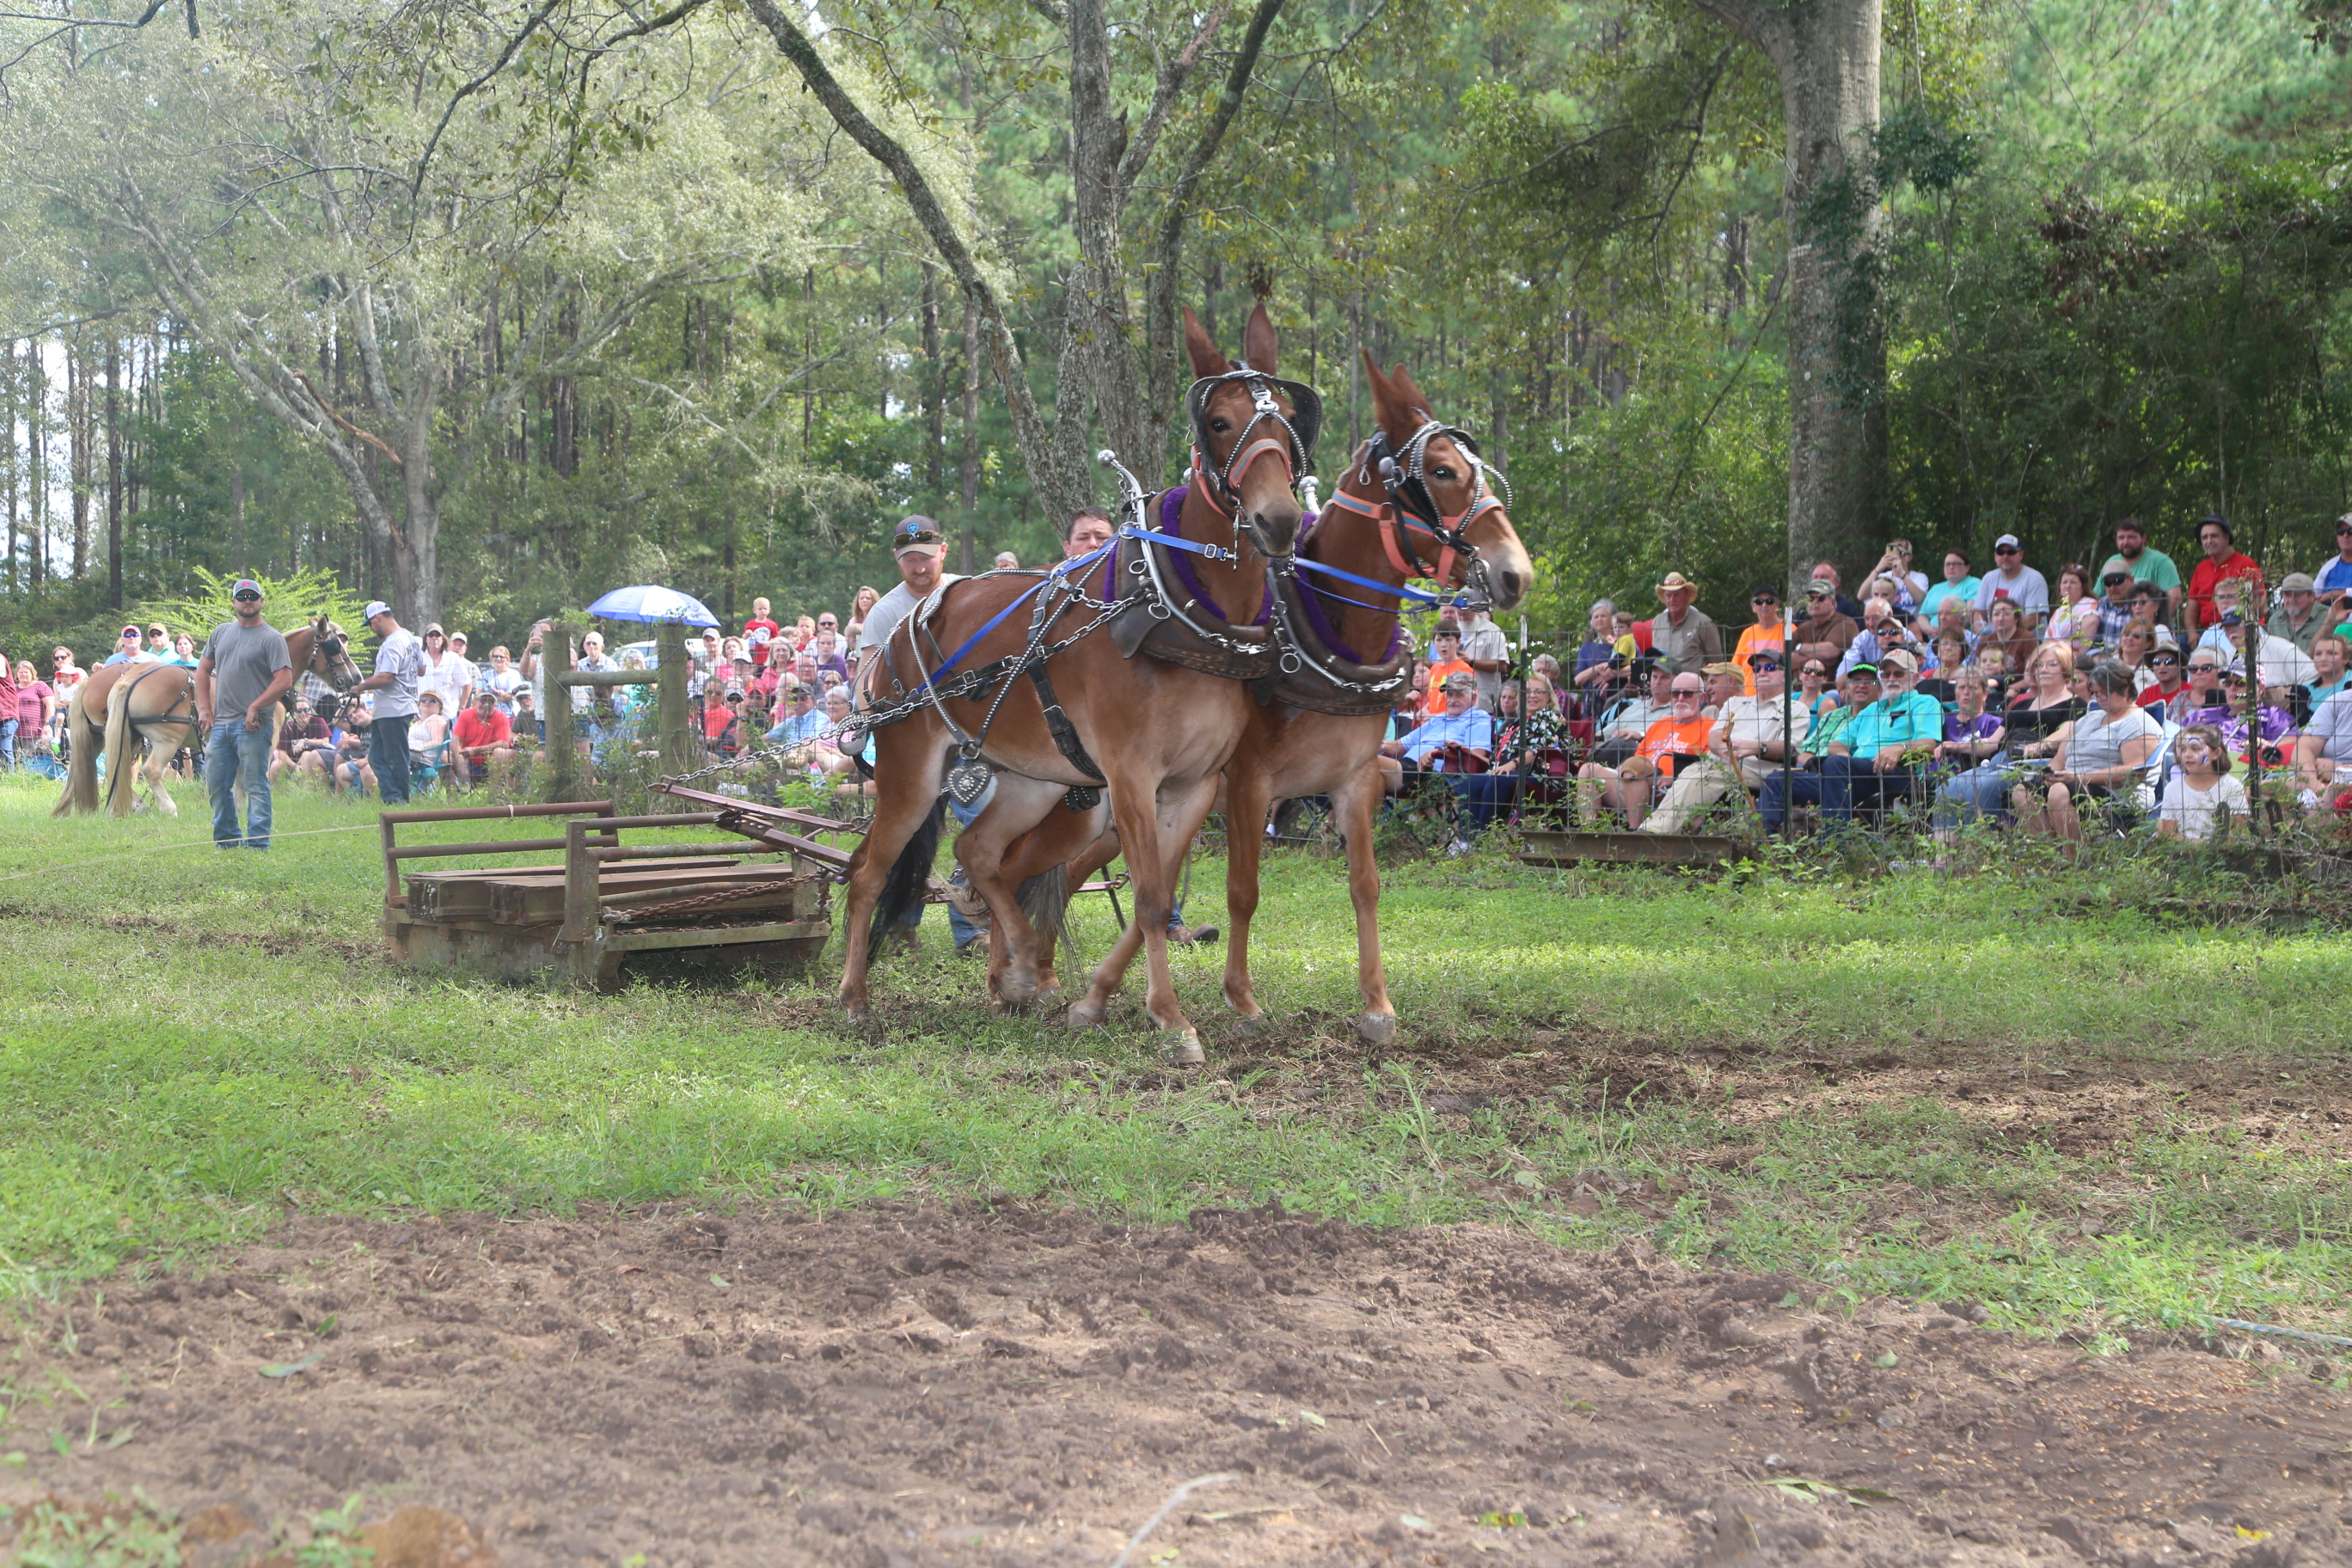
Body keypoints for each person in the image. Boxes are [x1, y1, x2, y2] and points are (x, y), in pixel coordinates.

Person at [1644, 651, 1808, 833]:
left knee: (1703, 776)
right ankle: (1668, 833)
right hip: (1719, 765)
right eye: (1757, 668)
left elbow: (1790, 748)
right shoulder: (1735, 704)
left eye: (1769, 668)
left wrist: (1758, 747)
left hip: (1757, 771)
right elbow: (1714, 736)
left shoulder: (1795, 708)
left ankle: (1656, 832)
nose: (1762, 673)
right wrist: (1722, 749)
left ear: (1786, 676)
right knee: (1693, 772)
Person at [2012, 660, 2160, 847]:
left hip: (2114, 793)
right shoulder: (2091, 717)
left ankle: (2073, 857)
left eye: (2105, 693)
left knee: (2059, 791)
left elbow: (2132, 773)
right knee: (2021, 792)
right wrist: (2047, 775)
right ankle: (2050, 853)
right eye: (2095, 694)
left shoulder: (2138, 724)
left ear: (2125, 688)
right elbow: (2060, 758)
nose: (2099, 699)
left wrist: (2078, 777)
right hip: (2071, 780)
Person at [195, 579, 294, 849]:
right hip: (221, 725)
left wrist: (255, 706)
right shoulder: (221, 633)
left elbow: (284, 680)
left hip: (254, 726)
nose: (247, 600)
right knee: (216, 785)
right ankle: (227, 841)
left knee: (255, 786)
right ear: (234, 602)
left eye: (253, 596)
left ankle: (258, 844)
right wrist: (204, 709)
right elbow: (202, 671)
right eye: (242, 596)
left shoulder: (271, 638)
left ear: (261, 601)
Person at [1575, 671, 1710, 830]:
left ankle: (1636, 833)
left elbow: (1708, 768)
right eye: (1675, 693)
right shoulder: (1662, 723)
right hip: (1636, 785)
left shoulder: (1710, 727)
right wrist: (1619, 773)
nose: (1680, 698)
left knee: (1635, 769)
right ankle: (1588, 832)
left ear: (1702, 698)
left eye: (1687, 694)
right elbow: (1638, 757)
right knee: (1588, 770)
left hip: (1674, 790)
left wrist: (1673, 778)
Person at [856, 518, 962, 692]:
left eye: (926, 558)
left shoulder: (967, 592)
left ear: (943, 550)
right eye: (910, 560)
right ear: (896, 556)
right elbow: (867, 682)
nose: (919, 569)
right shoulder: (884, 613)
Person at [349, 600, 423, 806]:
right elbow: (422, 669)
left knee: (396, 757)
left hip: (394, 708)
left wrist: (360, 687)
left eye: (370, 624)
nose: (372, 629)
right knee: (376, 756)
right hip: (394, 707)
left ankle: (401, 800)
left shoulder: (392, 643)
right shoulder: (410, 638)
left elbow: (386, 677)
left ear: (377, 618)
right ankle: (392, 798)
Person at [2158, 726, 2247, 842]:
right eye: (2182, 749)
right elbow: (2169, 833)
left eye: (2195, 749)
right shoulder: (2173, 788)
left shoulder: (2232, 786)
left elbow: (2235, 832)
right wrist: (2195, 846)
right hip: (2182, 853)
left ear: (2216, 753)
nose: (2187, 755)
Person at [2186, 514, 2263, 637]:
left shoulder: (2246, 565)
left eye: (2214, 536)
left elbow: (2260, 604)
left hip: (2240, 628)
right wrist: (2191, 634)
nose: (2209, 541)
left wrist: (2234, 621)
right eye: (2205, 537)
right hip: (2206, 632)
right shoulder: (2201, 568)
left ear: (2227, 538)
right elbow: (2191, 608)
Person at [2103, 518, 2182, 626]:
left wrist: (2153, 628)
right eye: (2121, 538)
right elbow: (2097, 597)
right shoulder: (2112, 562)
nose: (2125, 542)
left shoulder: (2161, 562)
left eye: (2131, 537)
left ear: (2143, 538)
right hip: (2115, 628)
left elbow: (2175, 600)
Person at [1647, 572, 1723, 677]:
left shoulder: (1703, 622)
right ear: (1664, 598)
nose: (1672, 600)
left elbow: (1716, 663)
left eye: (1677, 595)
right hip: (1663, 688)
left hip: (1692, 690)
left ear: (1687, 596)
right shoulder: (1658, 622)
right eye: (1668, 596)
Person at [1973, 535, 2050, 633]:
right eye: (2000, 552)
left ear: (2021, 555)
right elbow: (1978, 613)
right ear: (1995, 556)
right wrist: (1984, 636)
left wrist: (2005, 639)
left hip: (2028, 642)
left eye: (2011, 552)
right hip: (1993, 642)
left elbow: (2032, 619)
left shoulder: (2034, 579)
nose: (2005, 556)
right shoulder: (1988, 578)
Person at [2296, 685, 2352, 807]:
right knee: (2258, 792)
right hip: (2321, 779)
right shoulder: (2339, 702)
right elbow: (2304, 748)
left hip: (2343, 781)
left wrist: (2339, 770)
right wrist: (2313, 784)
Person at [452, 688, 517, 788]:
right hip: (467, 760)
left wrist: (476, 750)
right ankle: (455, 794)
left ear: (495, 704)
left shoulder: (501, 716)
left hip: (489, 760)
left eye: (490, 701)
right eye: (483, 701)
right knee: (445, 756)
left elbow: (504, 743)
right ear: (476, 701)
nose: (486, 704)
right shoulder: (465, 714)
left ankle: (494, 792)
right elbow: (456, 739)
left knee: (500, 751)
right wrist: (460, 759)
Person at [1730, 586, 1791, 693]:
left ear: (1777, 605)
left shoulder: (1789, 628)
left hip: (1778, 697)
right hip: (1748, 698)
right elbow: (1734, 669)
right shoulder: (1747, 633)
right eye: (1759, 602)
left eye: (1769, 601)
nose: (1764, 605)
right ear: (1753, 607)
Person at [1836, 595, 1913, 678]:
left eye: (1875, 618)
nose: (1871, 623)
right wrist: (1844, 687)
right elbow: (1846, 667)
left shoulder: (1906, 635)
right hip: (1871, 684)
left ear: (1889, 615)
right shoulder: (1863, 637)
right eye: (1867, 619)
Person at [1792, 578, 1859, 667]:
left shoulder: (1846, 623)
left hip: (1834, 680)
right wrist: (1820, 659)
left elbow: (1829, 652)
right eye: (1811, 599)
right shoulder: (1804, 627)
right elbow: (1788, 657)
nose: (1815, 602)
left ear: (1832, 603)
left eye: (1821, 598)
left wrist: (1799, 648)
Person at [271, 694, 338, 782]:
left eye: (306, 710)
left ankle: (306, 790)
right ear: (294, 712)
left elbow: (326, 741)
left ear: (311, 711)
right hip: (292, 763)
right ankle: (277, 792)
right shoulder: (288, 726)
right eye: (299, 710)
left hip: (312, 761)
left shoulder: (318, 721)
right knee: (276, 765)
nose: (303, 713)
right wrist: (295, 766)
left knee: (306, 755)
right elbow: (281, 752)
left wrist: (305, 741)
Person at [2268, 572, 2329, 657]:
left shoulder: (2328, 617)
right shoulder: (2275, 620)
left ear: (2312, 596)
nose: (2291, 600)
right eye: (2287, 595)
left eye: (2297, 595)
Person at [1418, 621, 1473, 714]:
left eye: (1448, 639)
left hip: (1451, 724)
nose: (1443, 644)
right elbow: (1431, 699)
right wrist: (1424, 711)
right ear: (1434, 644)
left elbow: (1470, 704)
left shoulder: (1464, 669)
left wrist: (1434, 716)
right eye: (1439, 640)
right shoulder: (1434, 668)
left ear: (1458, 642)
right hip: (1432, 724)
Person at [416, 624, 471, 714]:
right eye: (431, 635)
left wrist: (461, 708)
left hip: (448, 713)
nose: (434, 638)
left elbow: (467, 684)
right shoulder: (419, 657)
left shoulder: (453, 658)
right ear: (426, 639)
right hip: (423, 713)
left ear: (443, 638)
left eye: (437, 635)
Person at [9, 659, 54, 769]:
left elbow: (50, 705)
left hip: (33, 731)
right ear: (17, 674)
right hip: (15, 730)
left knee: (31, 757)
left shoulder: (40, 685)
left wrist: (47, 723)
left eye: (26, 672)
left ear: (32, 673)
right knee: (16, 757)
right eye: (21, 672)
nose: (23, 674)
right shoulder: (13, 688)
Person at [1919, 548, 1981, 624]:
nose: (1951, 567)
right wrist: (1928, 629)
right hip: (1933, 634)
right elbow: (1922, 616)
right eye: (1948, 564)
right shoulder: (1935, 588)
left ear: (1967, 567)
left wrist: (1948, 632)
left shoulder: (1974, 584)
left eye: (1956, 564)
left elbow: (1970, 613)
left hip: (1958, 634)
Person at [2138, 644, 2190, 720]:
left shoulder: (2191, 692)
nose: (2162, 666)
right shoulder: (2146, 694)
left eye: (2168, 661)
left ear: (2180, 666)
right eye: (2157, 662)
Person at [1871, 539, 1930, 607]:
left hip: (1911, 617)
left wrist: (1902, 573)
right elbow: (1861, 596)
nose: (1897, 556)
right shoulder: (1882, 577)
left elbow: (1919, 598)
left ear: (1909, 557)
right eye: (1894, 553)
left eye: (1901, 553)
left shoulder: (1920, 577)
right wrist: (1878, 569)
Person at [2093, 568, 2138, 646]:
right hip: (2105, 656)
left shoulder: (2140, 605)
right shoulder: (2102, 605)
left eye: (2118, 581)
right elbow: (2095, 641)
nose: (2112, 587)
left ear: (2131, 580)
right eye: (2108, 583)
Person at [2306, 634, 2349, 710]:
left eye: (2331, 653)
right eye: (2318, 654)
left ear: (2346, 659)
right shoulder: (2304, 689)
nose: (2323, 658)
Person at [481, 646, 524, 714]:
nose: (498, 659)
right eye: (496, 656)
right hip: (489, 714)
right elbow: (479, 692)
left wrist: (492, 698)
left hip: (509, 714)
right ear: (491, 658)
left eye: (501, 657)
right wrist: (501, 694)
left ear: (507, 659)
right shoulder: (486, 674)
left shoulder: (513, 674)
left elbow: (512, 696)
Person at [744, 596, 782, 668]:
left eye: (765, 608)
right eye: (760, 609)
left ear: (769, 610)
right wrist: (747, 633)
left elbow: (777, 637)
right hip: (755, 655)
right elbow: (744, 637)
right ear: (754, 610)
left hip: (768, 655)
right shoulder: (750, 624)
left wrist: (770, 642)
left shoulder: (772, 624)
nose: (763, 611)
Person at [844, 584, 883, 653]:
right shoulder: (853, 620)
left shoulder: (879, 620)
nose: (864, 600)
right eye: (861, 598)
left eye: (868, 598)